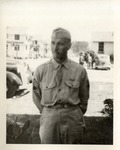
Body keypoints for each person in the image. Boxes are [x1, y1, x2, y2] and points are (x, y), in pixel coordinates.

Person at [32, 27, 90, 144]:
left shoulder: (79, 70)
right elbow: (36, 95)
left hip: (73, 118)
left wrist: (76, 112)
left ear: (69, 45)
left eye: (60, 44)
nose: (55, 47)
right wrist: (47, 112)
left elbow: (84, 97)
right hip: (49, 118)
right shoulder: (41, 70)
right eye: (53, 43)